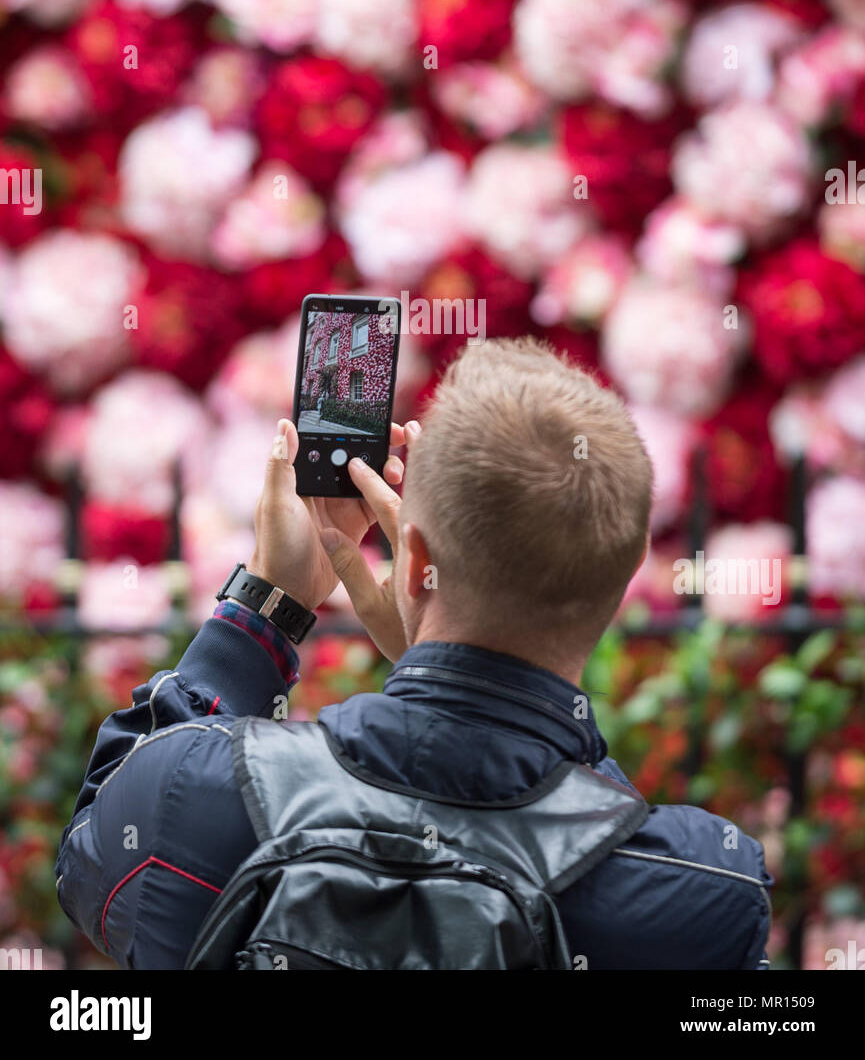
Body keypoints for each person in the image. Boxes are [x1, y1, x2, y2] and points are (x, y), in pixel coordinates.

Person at [56, 337, 772, 969]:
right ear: (630, 567)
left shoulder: (197, 795)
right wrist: (459, 670)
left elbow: (88, 851)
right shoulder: (697, 896)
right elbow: (590, 834)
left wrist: (266, 604)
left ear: (413, 556)